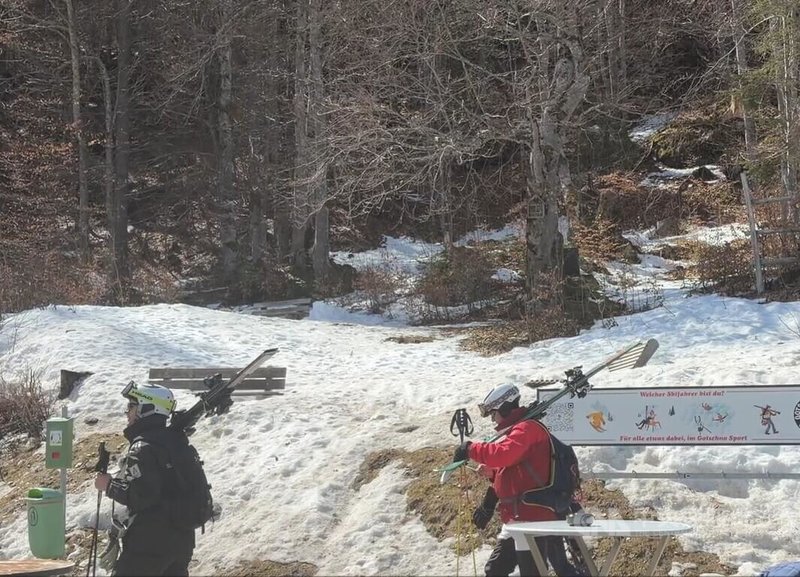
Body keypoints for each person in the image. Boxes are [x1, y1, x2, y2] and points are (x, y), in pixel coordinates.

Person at [454, 383, 580, 577]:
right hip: (519, 518)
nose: (493, 419)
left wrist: (471, 449)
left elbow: (504, 454)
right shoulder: (518, 431)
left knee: (532, 572)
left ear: (505, 408)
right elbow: (517, 470)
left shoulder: (527, 429)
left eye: (493, 414)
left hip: (532, 518)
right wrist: (494, 477)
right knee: (494, 571)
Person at [94, 382, 195, 576]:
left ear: (146, 409)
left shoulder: (143, 446)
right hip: (183, 540)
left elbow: (142, 495)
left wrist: (109, 485)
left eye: (131, 406)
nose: (127, 413)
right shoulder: (176, 441)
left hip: (149, 542)